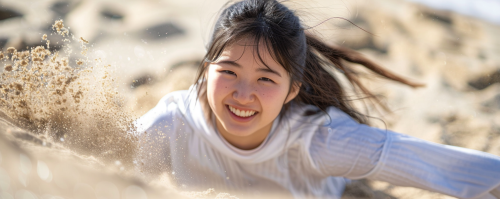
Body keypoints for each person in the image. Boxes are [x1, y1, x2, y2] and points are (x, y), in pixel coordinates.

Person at [134, 0, 500, 198]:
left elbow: (438, 167)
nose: (243, 94)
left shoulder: (320, 141)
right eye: (228, 71)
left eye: (266, 78)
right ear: (207, 67)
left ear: (293, 89)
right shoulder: (171, 124)